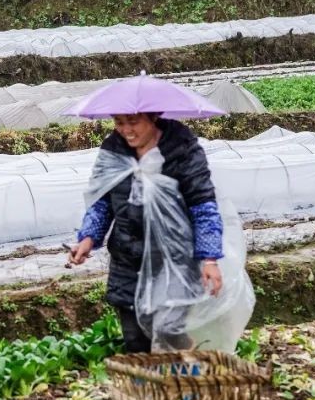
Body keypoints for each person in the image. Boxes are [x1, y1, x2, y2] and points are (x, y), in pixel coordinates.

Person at [68, 112, 224, 353]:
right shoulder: (113, 150)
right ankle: (149, 387)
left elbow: (202, 205)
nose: (126, 129)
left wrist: (209, 258)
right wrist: (88, 238)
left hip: (174, 260)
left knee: (168, 330)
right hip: (128, 258)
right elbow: (102, 200)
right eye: (119, 122)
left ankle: (180, 378)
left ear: (153, 118)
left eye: (133, 122)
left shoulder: (181, 150)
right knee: (135, 338)